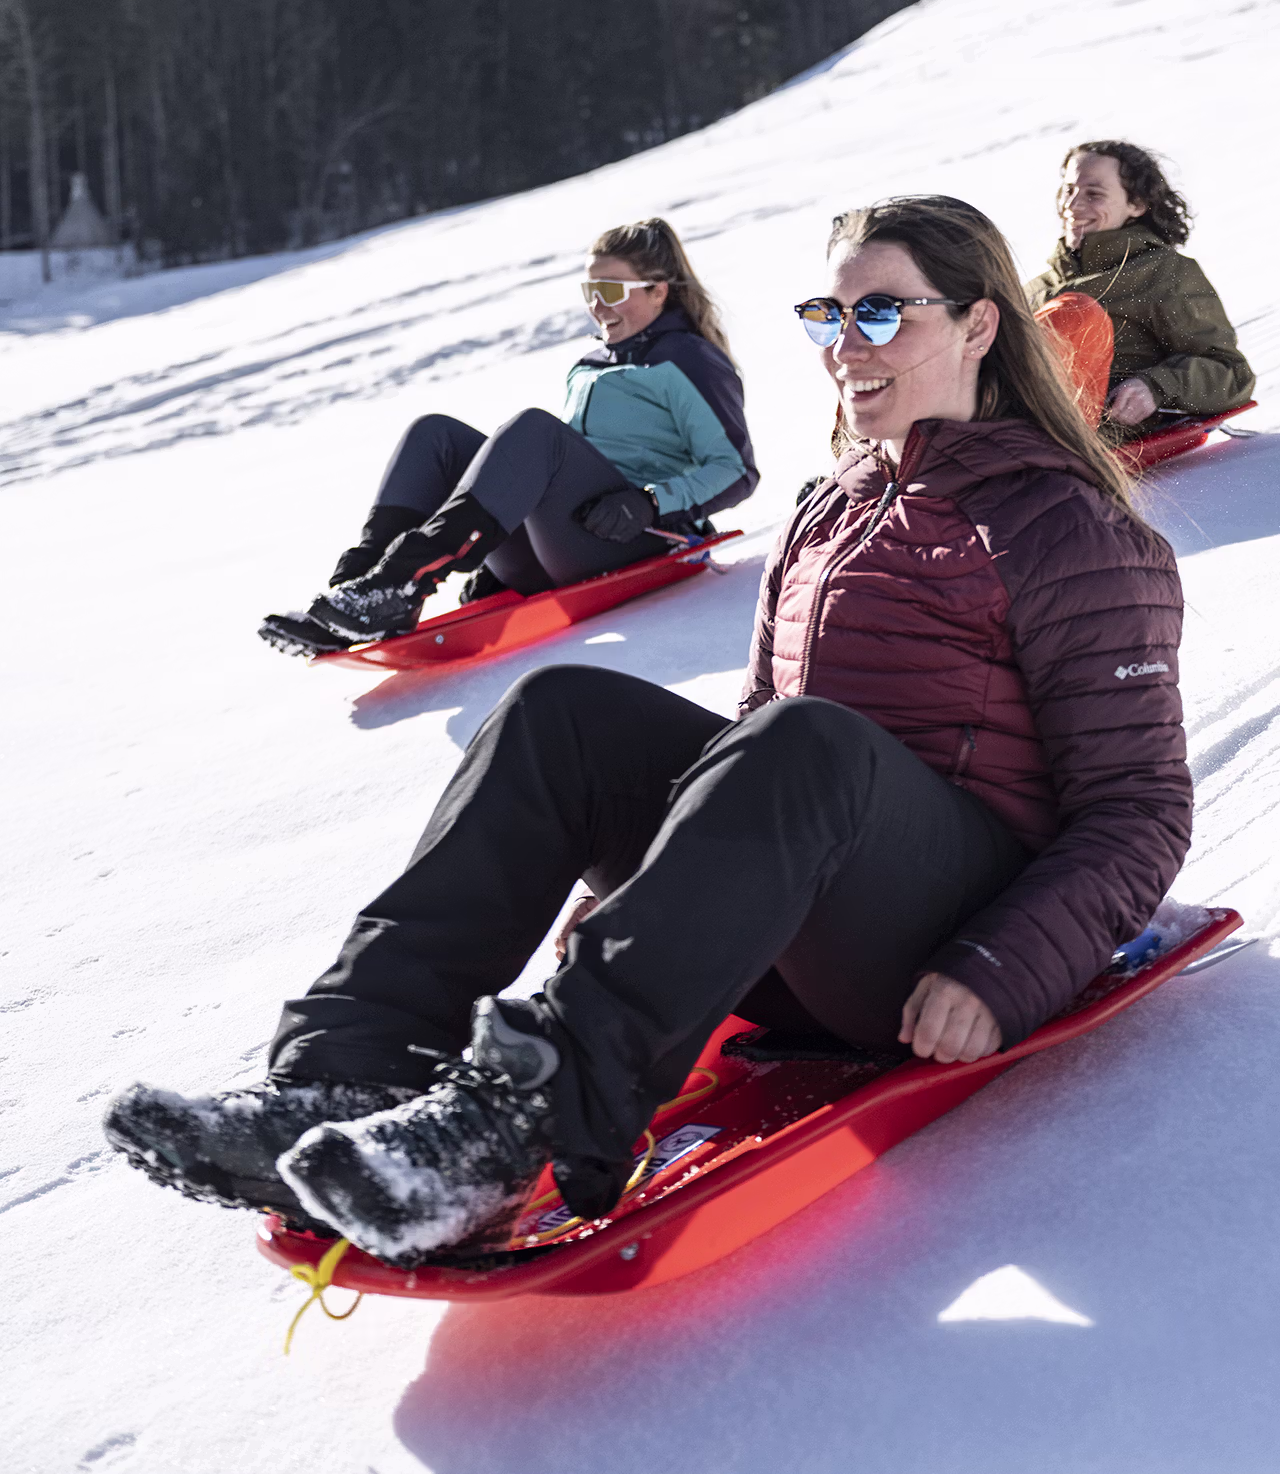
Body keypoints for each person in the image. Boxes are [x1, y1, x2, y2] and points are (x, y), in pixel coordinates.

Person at [106, 196, 1192, 1268]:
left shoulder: (1064, 525)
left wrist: (997, 968)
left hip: (922, 960)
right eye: (829, 315)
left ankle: (516, 1125)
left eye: (880, 315)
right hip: (788, 925)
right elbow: (752, 744)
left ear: (977, 324)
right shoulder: (834, 506)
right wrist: (647, 899)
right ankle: (344, 1073)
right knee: (564, 712)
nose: (842, 348)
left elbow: (1138, 811)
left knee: (810, 740)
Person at [260, 218, 758, 654]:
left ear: (657, 291)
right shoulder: (590, 366)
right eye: (590, 293)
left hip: (636, 539)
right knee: (435, 436)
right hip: (569, 542)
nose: (597, 307)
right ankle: (357, 592)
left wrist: (649, 504)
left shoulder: (687, 360)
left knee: (535, 431)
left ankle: (405, 581)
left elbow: (735, 471)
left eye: (611, 291)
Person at [1028, 141, 1255, 431]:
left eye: (1094, 194)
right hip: (1001, 420)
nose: (1071, 205)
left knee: (1075, 313)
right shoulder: (1037, 288)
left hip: (1082, 430)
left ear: (1136, 204)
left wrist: (1154, 387)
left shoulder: (1162, 273)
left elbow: (1232, 374)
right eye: (1069, 190)